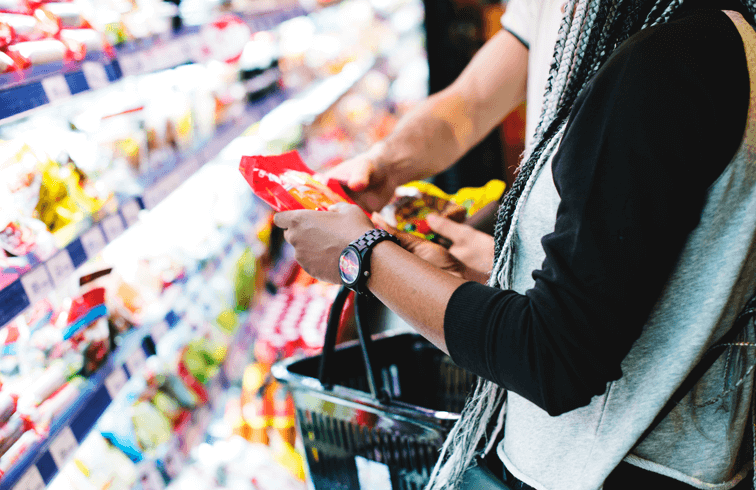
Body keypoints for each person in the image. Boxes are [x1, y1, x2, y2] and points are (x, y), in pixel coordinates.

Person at [273, 0, 756, 488]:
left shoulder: (663, 66)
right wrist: (479, 270)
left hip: (604, 467)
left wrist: (364, 256)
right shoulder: (722, 36)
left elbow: (554, 358)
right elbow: (632, 278)